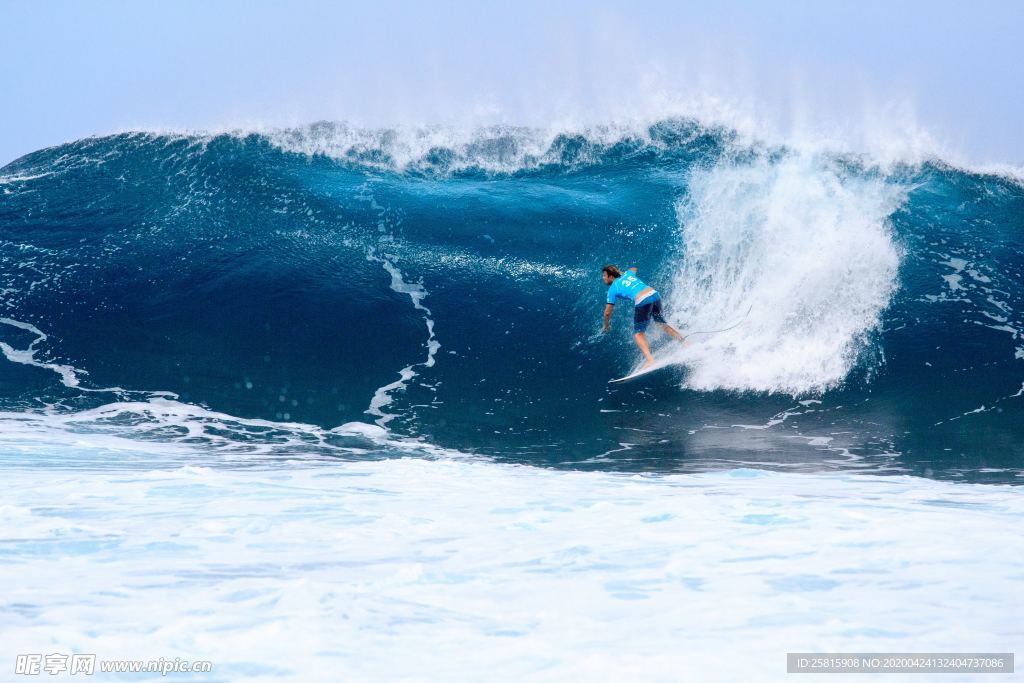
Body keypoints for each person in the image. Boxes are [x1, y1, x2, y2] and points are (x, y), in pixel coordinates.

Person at [601, 264, 687, 367]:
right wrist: (622, 274)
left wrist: (606, 325)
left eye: (604, 275)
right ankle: (685, 343)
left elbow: (607, 313)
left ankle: (650, 360)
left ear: (611, 277)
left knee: (638, 334)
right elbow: (634, 268)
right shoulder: (628, 274)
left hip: (643, 300)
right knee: (661, 323)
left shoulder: (612, 289)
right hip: (654, 294)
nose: (603, 278)